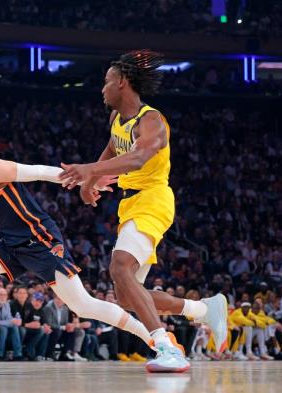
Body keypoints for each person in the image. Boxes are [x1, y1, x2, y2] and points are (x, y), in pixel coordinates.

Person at [0, 128, 153, 369]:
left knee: (83, 305)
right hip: (11, 244)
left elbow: (39, 171)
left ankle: (152, 336)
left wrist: (88, 178)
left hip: (39, 241)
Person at [59, 50, 228, 372]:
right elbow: (113, 147)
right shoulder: (116, 119)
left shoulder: (151, 120)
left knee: (119, 266)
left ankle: (168, 349)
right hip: (129, 202)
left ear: (122, 82)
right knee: (126, 296)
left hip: (153, 199)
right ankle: (204, 310)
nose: (102, 89)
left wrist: (88, 169)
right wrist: (91, 179)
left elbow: (137, 159)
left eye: (107, 82)